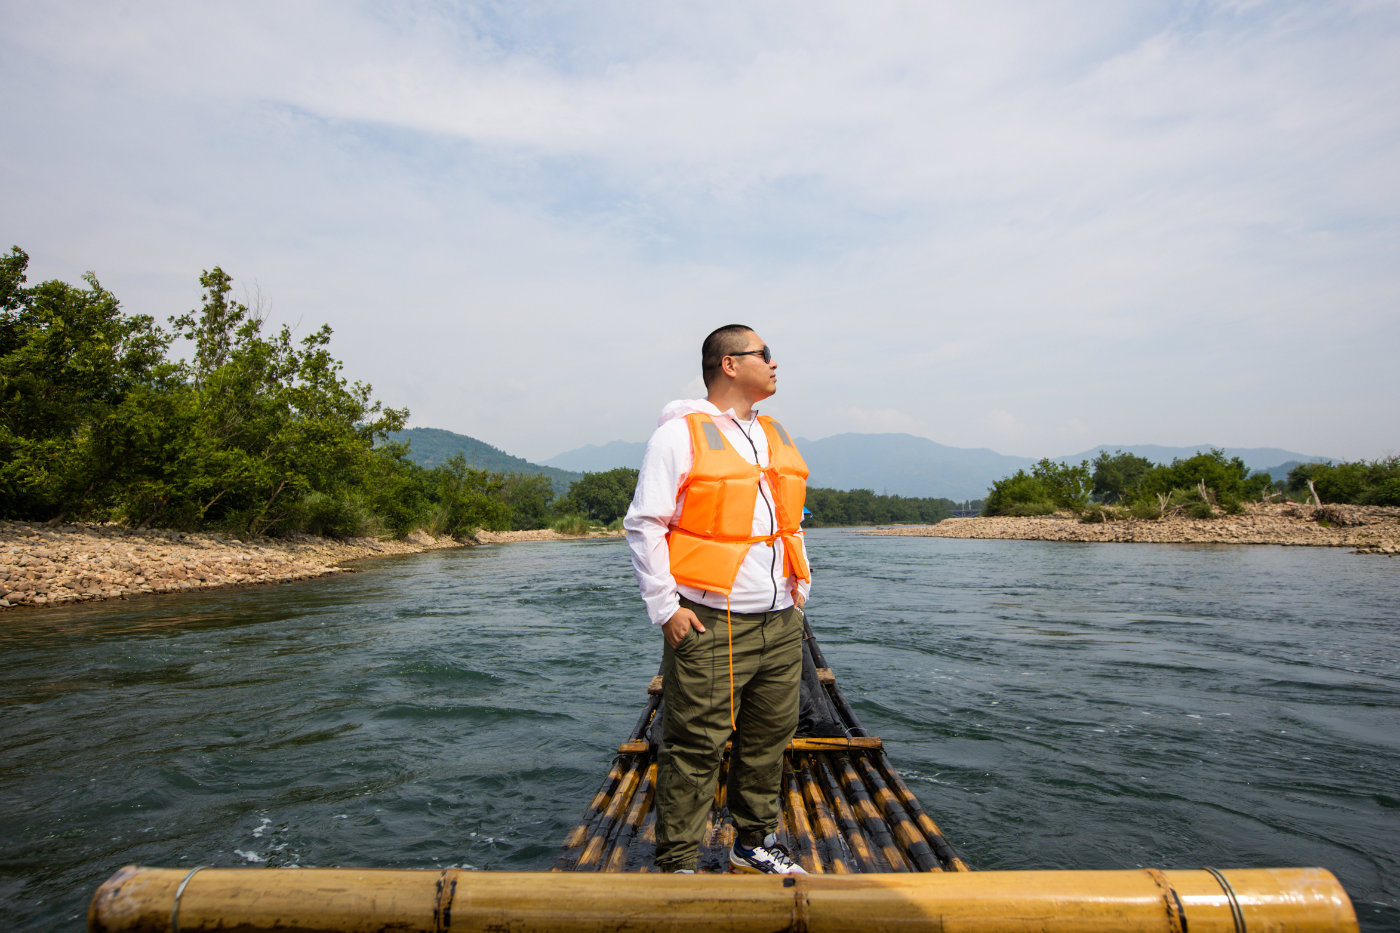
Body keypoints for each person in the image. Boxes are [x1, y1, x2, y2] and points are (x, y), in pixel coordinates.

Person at [623, 324, 811, 874]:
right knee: (695, 744)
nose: (775, 364)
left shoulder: (772, 432)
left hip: (779, 619)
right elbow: (645, 524)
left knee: (770, 739)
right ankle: (679, 860)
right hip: (711, 617)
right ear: (730, 364)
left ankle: (752, 843)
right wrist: (666, 608)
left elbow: (787, 523)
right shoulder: (678, 435)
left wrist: (800, 590)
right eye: (765, 354)